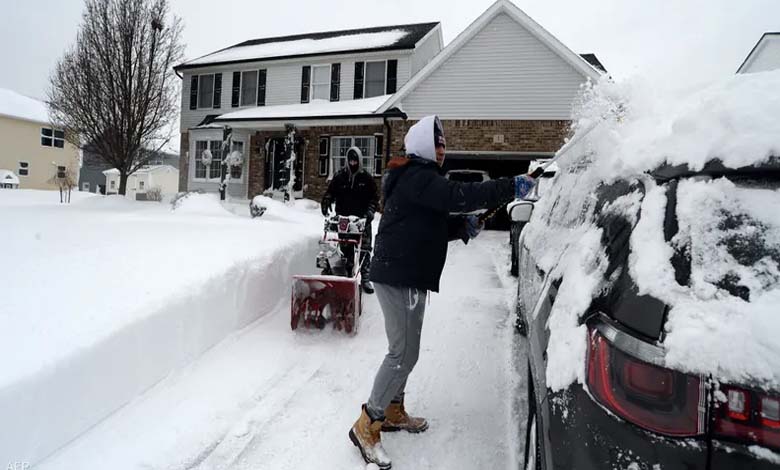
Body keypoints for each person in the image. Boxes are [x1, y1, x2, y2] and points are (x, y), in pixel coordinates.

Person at [348, 115, 536, 469]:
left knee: (408, 352)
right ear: (420, 145)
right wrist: (510, 186)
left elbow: (427, 224)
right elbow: (461, 195)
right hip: (400, 275)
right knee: (401, 354)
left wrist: (459, 227)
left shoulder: (416, 178)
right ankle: (367, 424)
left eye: (444, 144)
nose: (441, 150)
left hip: (409, 274)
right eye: (436, 143)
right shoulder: (417, 175)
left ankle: (391, 409)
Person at [320, 146, 380, 294]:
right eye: (350, 160)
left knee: (364, 248)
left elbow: (374, 198)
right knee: (346, 247)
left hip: (362, 220)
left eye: (355, 160)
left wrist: (371, 211)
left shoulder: (366, 178)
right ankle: (346, 277)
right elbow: (331, 192)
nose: (353, 163)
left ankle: (365, 278)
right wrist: (327, 200)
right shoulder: (340, 176)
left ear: (360, 160)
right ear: (347, 160)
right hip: (344, 220)